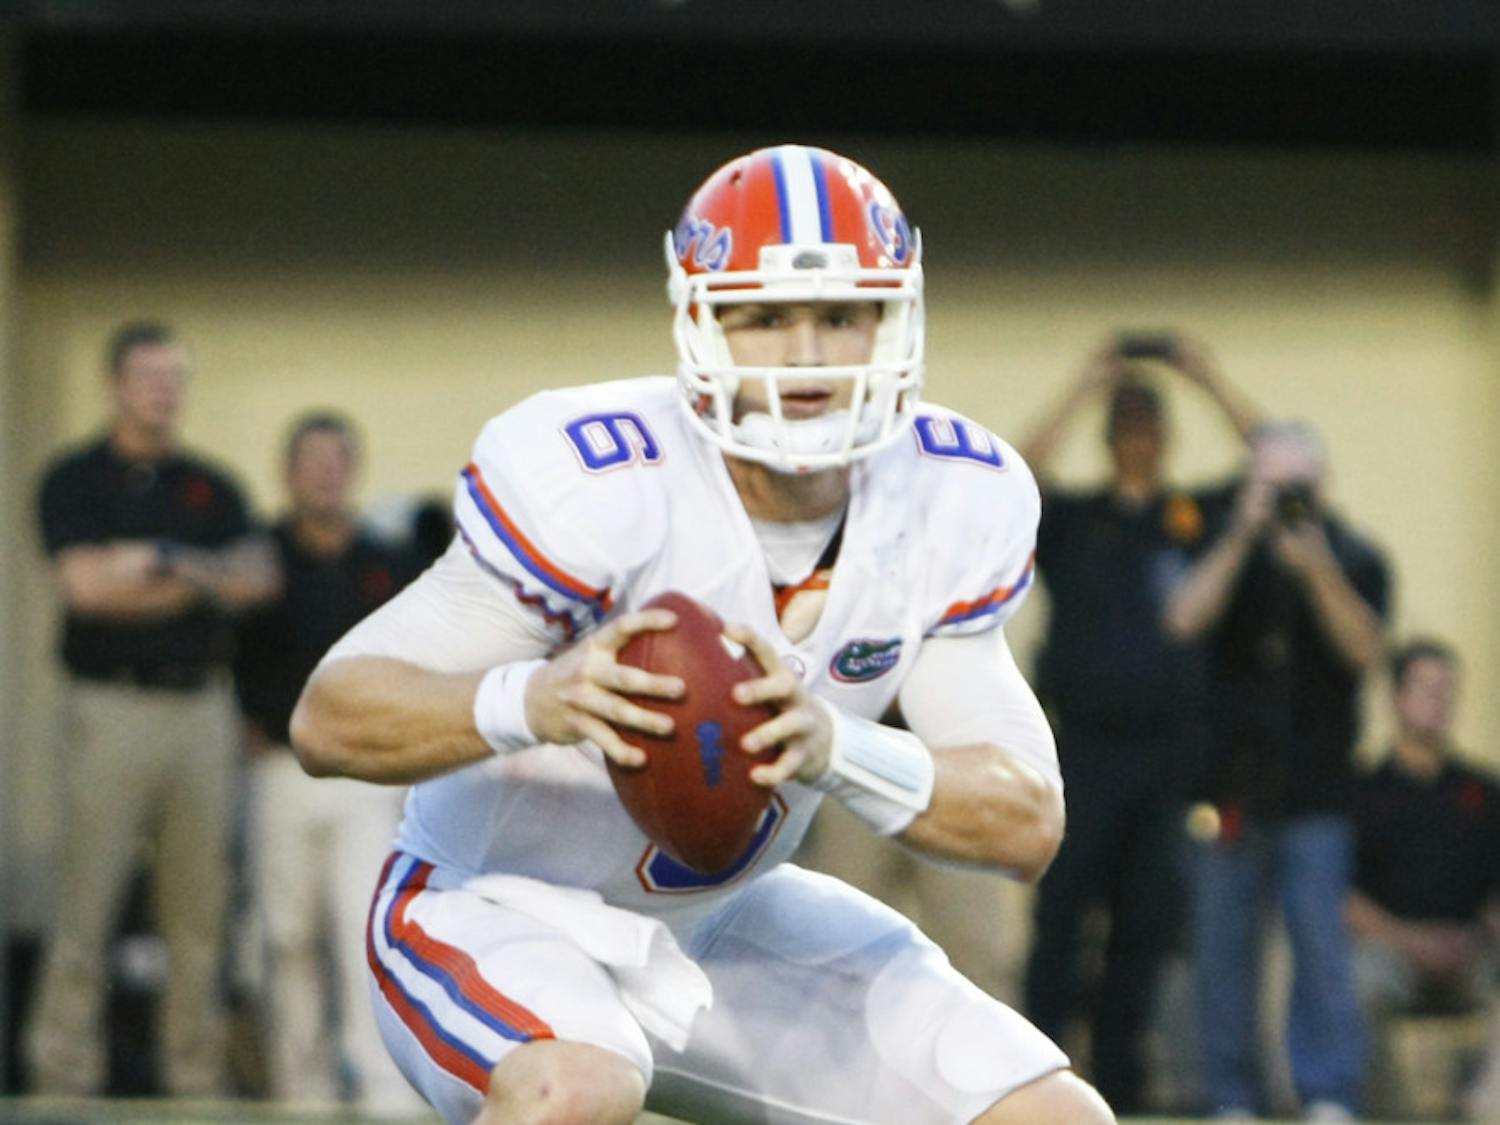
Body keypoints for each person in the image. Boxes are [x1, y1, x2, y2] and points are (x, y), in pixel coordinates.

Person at [290, 145, 1116, 1125]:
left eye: (841, 315)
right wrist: (531, 700)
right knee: (577, 1089)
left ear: (895, 320)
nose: (807, 356)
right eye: (764, 316)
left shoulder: (946, 497)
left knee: (1055, 1118)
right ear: (700, 323)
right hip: (491, 903)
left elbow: (1025, 822)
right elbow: (330, 718)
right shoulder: (603, 484)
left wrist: (835, 746)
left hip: (720, 925)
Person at [27, 320, 280, 1097]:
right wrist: (203, 576)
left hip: (202, 711)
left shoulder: (213, 484)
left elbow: (257, 580)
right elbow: (88, 590)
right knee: (87, 907)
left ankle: (194, 1084)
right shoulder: (76, 478)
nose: (163, 390)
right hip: (111, 711)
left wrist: (164, 562)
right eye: (148, 376)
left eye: (175, 376)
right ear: (114, 385)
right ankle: (63, 1081)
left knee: (198, 917)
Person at [1016, 334, 1258, 1113]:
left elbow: (1279, 464)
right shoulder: (1077, 518)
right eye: (1123, 420)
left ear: (1164, 433)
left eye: (1147, 420)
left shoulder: (1190, 518)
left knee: (1143, 925)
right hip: (1081, 751)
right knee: (1061, 921)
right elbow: (1012, 482)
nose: (1136, 434)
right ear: (1109, 433)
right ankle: (1034, 1076)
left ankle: (1118, 1087)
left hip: (1166, 756)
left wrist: (1208, 376)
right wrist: (1086, 382)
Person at [1164, 419, 1391, 1121]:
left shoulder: (1354, 556)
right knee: (1222, 949)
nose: (1288, 497)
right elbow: (1180, 619)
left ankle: (1326, 1092)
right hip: (1227, 785)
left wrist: (1315, 567)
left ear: (1322, 485)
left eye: (1298, 484)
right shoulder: (1220, 545)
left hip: (1317, 787)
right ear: (1250, 482)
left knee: (1321, 948)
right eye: (1273, 484)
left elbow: (1364, 651)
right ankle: (1231, 1095)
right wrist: (1240, 534)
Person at [232, 412, 424, 1112]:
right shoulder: (257, 562)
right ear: (289, 471)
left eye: (337, 459)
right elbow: (227, 659)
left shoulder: (388, 561)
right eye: (311, 459)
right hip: (280, 772)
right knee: (284, 936)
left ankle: (379, 1088)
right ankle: (301, 1091)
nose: (324, 472)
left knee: (364, 932)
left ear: (353, 468)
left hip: (366, 778)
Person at [1347, 639, 1500, 1121]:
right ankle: (1383, 1112)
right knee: (1352, 981)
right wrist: (1412, 941)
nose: (1439, 702)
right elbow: (1342, 900)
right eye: (1426, 689)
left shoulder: (1483, 792)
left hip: (1470, 952)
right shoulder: (1364, 793)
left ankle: (1486, 1102)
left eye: (1447, 691)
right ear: (1396, 697)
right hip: (1392, 951)